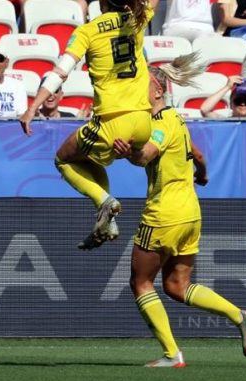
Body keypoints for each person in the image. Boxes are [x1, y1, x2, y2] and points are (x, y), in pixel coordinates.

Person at [112, 53, 246, 368]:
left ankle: (172, 354)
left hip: (163, 214)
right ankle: (241, 316)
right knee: (176, 285)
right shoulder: (177, 119)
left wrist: (127, 153)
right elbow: (199, 154)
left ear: (156, 90)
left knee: (140, 282)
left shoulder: (159, 123)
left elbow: (145, 156)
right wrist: (202, 176)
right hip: (191, 212)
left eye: (142, 86)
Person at [19, 0, 154, 250]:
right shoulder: (138, 17)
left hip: (113, 121)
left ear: (101, 3)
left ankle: (104, 201)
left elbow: (61, 71)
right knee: (89, 159)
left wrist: (32, 107)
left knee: (64, 160)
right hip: (144, 121)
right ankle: (107, 217)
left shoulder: (87, 31)